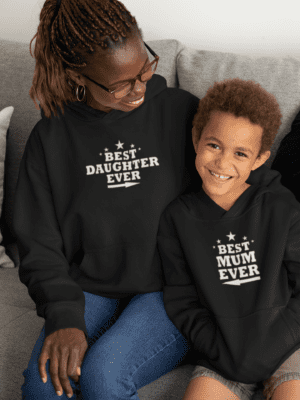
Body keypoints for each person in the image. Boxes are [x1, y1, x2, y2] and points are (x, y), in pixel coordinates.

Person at [12, 0, 281, 399]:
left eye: (144, 69)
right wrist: (62, 313)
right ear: (77, 74)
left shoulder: (181, 111)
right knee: (43, 386)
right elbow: (36, 240)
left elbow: (242, 177)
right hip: (90, 286)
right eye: (120, 83)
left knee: (104, 376)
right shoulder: (51, 138)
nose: (140, 89)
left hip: (173, 290)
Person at [157, 77, 300, 400]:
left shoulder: (282, 209)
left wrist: (268, 349)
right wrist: (220, 349)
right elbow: (182, 300)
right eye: (214, 145)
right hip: (225, 354)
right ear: (196, 139)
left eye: (240, 153)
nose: (222, 163)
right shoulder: (177, 218)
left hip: (286, 347)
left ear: (260, 159)